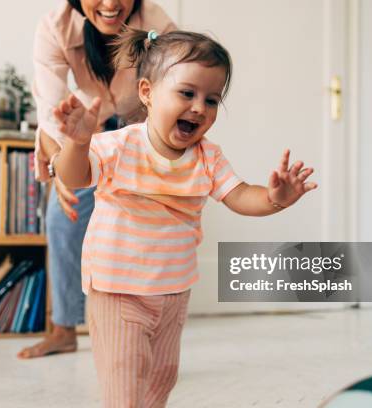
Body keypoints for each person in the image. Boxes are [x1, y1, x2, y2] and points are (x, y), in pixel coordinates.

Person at [51, 28, 318, 406]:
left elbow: (240, 195)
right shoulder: (118, 145)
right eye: (187, 93)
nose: (199, 107)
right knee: (124, 381)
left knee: (161, 378)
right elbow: (73, 176)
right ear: (147, 92)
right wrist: (77, 144)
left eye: (212, 100)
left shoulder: (208, 156)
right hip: (118, 289)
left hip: (173, 291)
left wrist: (275, 199)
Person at [18, 0, 176, 359]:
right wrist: (63, 164)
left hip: (144, 129)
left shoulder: (158, 25)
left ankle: (147, 330)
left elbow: (175, 95)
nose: (109, 4)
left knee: (146, 228)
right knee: (62, 219)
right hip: (86, 127)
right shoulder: (55, 27)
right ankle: (64, 328)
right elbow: (50, 107)